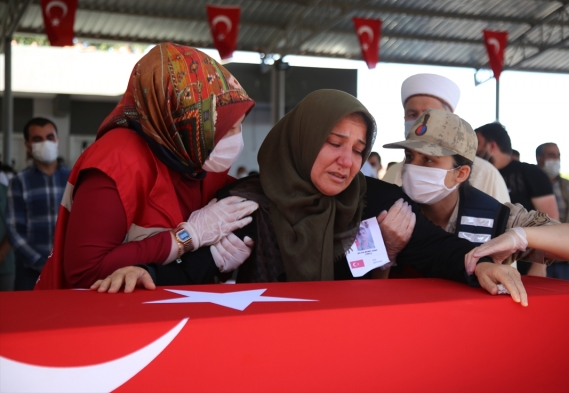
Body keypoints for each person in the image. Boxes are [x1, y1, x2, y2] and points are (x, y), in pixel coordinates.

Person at [92, 90, 530, 306]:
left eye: (359, 150)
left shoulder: (372, 197)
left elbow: (437, 249)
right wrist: (142, 272)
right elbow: (194, 272)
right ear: (300, 140)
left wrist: (481, 263)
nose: (346, 161)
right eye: (333, 143)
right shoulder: (248, 205)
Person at [35, 43, 259, 289]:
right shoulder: (116, 162)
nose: (236, 140)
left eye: (239, 126)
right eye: (228, 128)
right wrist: (186, 237)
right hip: (90, 315)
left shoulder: (198, 161)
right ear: (183, 118)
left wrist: (212, 261)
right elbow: (85, 271)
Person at [383, 110, 569, 277]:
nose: (412, 167)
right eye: (410, 156)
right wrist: (384, 257)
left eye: (428, 159)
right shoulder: (386, 210)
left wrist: (518, 236)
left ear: (461, 173)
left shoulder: (495, 218)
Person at [382, 73, 511, 204]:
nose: (420, 121)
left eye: (430, 114)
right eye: (412, 114)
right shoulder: (393, 173)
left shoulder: (486, 174)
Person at [475, 122, 559, 277]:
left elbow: (551, 221)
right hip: (484, 261)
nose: (473, 148)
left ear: (492, 146)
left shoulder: (531, 174)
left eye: (477, 143)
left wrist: (539, 265)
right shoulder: (475, 175)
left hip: (526, 262)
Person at [6, 117, 71, 290]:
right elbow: (14, 232)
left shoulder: (74, 178)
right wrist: (42, 264)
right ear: (28, 145)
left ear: (57, 140)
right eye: (38, 139)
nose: (46, 143)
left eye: (50, 137)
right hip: (30, 274)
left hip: (69, 271)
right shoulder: (19, 182)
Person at [536, 142, 569, 280]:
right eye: (551, 155)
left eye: (558, 156)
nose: (555, 159)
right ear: (539, 158)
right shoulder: (532, 182)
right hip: (539, 257)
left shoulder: (567, 185)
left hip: (567, 257)